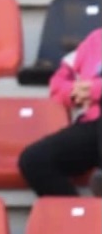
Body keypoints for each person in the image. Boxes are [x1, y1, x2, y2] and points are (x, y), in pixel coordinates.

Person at [19, 27, 101, 197]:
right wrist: (74, 92)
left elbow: (95, 89)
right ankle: (77, 219)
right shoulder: (95, 39)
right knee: (35, 160)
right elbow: (58, 83)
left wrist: (96, 90)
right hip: (92, 126)